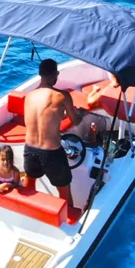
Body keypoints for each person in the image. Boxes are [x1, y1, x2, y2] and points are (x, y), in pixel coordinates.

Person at [22, 58, 87, 213]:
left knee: (30, 182)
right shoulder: (62, 96)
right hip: (51, 152)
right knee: (64, 189)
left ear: (40, 74)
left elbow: (36, 121)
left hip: (29, 149)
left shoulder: (29, 96)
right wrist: (81, 114)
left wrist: (60, 117)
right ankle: (68, 217)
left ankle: (26, 210)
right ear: (55, 74)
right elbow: (76, 121)